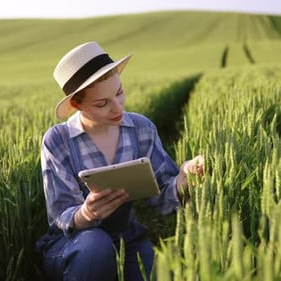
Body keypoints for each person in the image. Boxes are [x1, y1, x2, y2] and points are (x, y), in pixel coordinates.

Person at [35, 41, 204, 281]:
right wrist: (86, 214)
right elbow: (60, 214)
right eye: (102, 103)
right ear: (76, 105)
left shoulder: (141, 128)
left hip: (127, 239)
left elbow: (162, 195)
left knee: (158, 273)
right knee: (96, 246)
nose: (118, 107)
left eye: (119, 92)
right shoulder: (58, 140)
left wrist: (185, 177)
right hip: (73, 245)